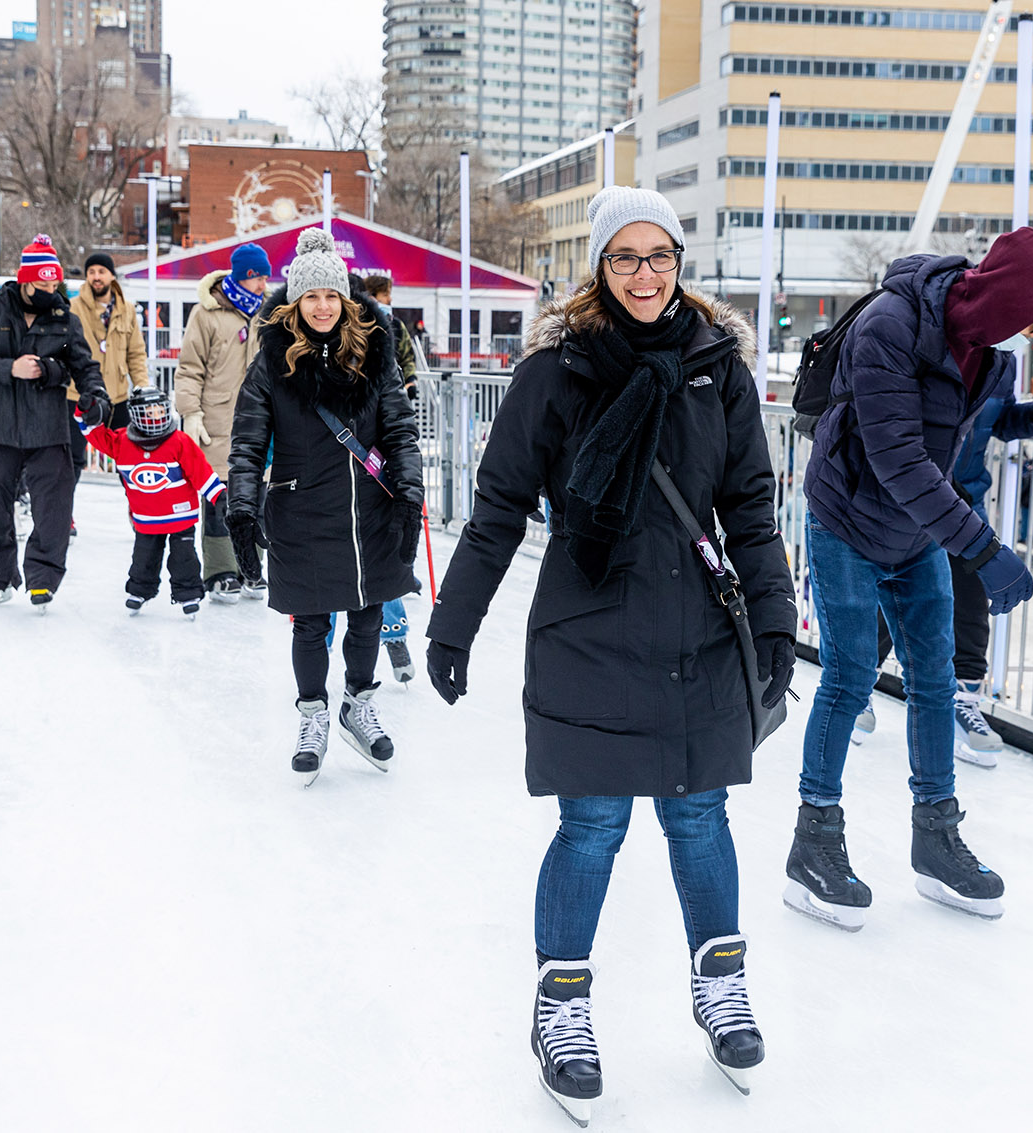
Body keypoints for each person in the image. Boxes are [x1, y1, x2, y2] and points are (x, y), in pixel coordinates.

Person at [423, 186, 793, 1118]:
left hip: (697, 635)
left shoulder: (718, 367)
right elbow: (499, 505)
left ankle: (720, 983)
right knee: (592, 825)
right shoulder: (558, 372)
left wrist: (779, 620)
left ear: (679, 262)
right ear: (599, 265)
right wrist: (452, 621)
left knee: (700, 816)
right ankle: (563, 1005)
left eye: (658, 256)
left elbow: (750, 504)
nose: (643, 275)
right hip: (588, 630)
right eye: (623, 257)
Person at [795, 225, 1033, 928]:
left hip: (917, 530)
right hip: (847, 517)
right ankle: (814, 842)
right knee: (850, 674)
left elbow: (968, 430)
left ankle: (935, 837)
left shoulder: (994, 356)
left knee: (934, 677)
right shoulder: (892, 325)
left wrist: (1027, 422)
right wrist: (983, 549)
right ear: (1008, 299)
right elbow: (897, 459)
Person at [226, 228, 423, 782]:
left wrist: (409, 492)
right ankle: (312, 712)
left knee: (365, 618)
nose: (322, 306)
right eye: (311, 296)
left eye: (332, 296)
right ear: (295, 300)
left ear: (346, 299)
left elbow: (401, 432)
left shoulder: (373, 354)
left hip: (369, 511)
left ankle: (358, 704)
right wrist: (242, 508)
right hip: (302, 509)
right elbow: (246, 444)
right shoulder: (271, 362)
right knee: (310, 624)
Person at [868, 329, 1033, 766]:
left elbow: (996, 422)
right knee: (897, 592)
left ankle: (965, 700)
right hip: (917, 499)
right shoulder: (936, 344)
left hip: (967, 502)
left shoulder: (1004, 362)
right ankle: (859, 687)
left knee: (971, 600)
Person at [0, 234, 110, 609]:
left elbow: (84, 366)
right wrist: (10, 369)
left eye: (55, 284)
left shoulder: (63, 320)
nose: (50, 291)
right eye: (42, 285)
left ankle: (43, 578)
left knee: (53, 507)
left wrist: (96, 396)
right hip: (0, 428)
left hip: (48, 429)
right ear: (24, 281)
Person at [176, 242, 270, 604]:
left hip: (260, 423)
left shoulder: (267, 316)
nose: (263, 284)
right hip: (217, 422)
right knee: (221, 500)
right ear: (243, 277)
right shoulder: (207, 314)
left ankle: (252, 570)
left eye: (265, 277)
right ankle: (219, 573)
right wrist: (191, 413)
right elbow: (189, 369)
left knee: (258, 500)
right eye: (257, 277)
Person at [78, 386, 223, 618]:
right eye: (149, 412)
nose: (156, 417)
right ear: (136, 414)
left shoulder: (180, 441)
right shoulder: (123, 441)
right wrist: (86, 410)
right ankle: (139, 590)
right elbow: (94, 434)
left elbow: (201, 472)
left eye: (159, 411)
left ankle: (188, 594)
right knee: (144, 557)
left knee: (184, 558)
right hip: (146, 517)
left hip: (180, 516)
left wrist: (219, 496)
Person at [359, 272, 423, 682]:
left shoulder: (388, 331)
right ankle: (325, 641)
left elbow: (397, 420)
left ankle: (394, 637)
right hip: (349, 464)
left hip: (376, 461)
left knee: (378, 558)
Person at [68, 252, 149, 465]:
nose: (96, 277)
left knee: (129, 458)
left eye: (102, 272)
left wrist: (143, 388)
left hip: (116, 396)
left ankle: (136, 499)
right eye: (91, 272)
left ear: (112, 276)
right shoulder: (72, 308)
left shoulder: (127, 310)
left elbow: (136, 354)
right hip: (79, 396)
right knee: (70, 460)